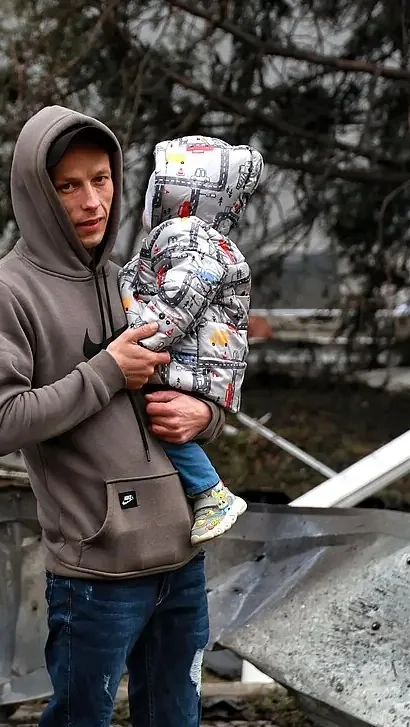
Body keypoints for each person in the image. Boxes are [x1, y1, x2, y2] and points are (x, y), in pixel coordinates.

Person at [0, 105, 226, 727]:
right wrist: (106, 371)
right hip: (94, 573)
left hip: (182, 561)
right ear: (35, 192)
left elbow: (198, 373)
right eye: (69, 186)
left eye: (102, 180)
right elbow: (0, 421)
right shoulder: (4, 293)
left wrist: (207, 414)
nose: (91, 201)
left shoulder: (136, 275)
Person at [119, 135, 264, 545]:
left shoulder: (185, 236)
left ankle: (211, 493)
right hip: (201, 360)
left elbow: (180, 300)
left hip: (187, 359)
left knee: (153, 415)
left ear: (178, 196)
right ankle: (204, 493)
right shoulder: (195, 238)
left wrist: (140, 340)